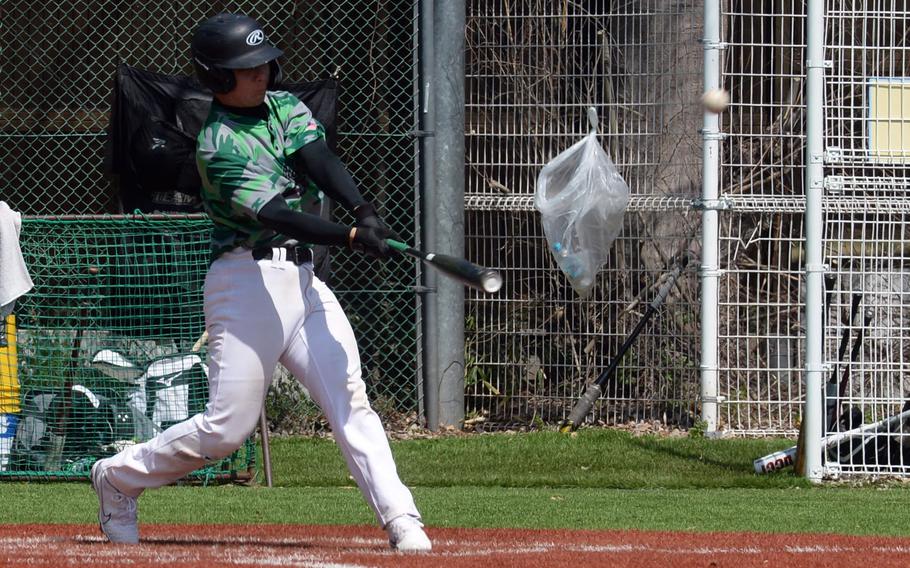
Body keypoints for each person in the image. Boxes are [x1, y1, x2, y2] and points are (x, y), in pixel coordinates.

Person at [90, 12, 431, 552]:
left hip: (301, 280)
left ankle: (401, 519)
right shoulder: (218, 146)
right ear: (218, 78)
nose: (261, 74)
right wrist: (347, 235)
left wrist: (362, 209)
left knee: (349, 398)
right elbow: (279, 214)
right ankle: (119, 476)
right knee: (226, 430)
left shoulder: (282, 105)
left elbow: (317, 158)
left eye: (264, 63)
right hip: (245, 282)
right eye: (246, 69)